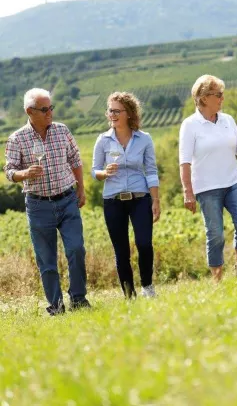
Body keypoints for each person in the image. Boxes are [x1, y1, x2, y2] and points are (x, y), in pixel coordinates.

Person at [3, 88, 90, 316]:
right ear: (29, 111)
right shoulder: (17, 139)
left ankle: (79, 299)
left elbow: (75, 159)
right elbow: (9, 171)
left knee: (76, 249)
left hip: (67, 199)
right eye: (44, 109)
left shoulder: (62, 131)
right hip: (38, 205)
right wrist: (25, 174)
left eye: (51, 107)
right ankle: (57, 306)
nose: (50, 112)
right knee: (47, 260)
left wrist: (81, 188)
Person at [179, 75, 237, 282]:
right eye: (218, 95)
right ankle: (217, 280)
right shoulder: (190, 125)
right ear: (203, 97)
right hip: (207, 188)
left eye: (222, 94)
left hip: (232, 183)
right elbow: (184, 162)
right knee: (215, 235)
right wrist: (188, 192)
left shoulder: (228, 120)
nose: (222, 98)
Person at [92, 92, 160, 298]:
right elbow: (95, 170)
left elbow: (151, 171)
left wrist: (155, 200)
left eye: (116, 111)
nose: (111, 114)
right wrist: (104, 173)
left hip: (140, 198)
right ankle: (129, 295)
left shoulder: (144, 139)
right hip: (113, 200)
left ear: (129, 113)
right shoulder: (103, 140)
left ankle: (148, 287)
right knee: (121, 250)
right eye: (109, 110)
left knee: (144, 244)